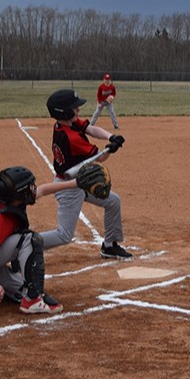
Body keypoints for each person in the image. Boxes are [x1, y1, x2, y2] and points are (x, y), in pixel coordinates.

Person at [0, 167, 78, 314]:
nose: (33, 190)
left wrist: (76, 183)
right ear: (20, 193)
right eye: (29, 187)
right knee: (29, 239)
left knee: (20, 291)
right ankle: (33, 300)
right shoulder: (4, 217)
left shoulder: (12, 202)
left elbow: (44, 190)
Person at [43, 89, 131, 260]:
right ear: (65, 111)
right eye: (75, 108)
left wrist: (111, 137)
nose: (78, 110)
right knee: (64, 235)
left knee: (113, 201)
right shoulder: (71, 138)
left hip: (80, 181)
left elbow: (91, 129)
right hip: (68, 187)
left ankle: (110, 246)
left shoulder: (65, 123)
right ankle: (26, 244)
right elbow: (100, 158)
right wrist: (110, 150)